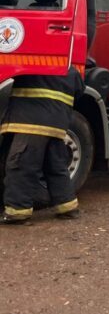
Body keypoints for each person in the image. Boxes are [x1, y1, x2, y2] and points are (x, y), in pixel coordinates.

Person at [1, 66, 84, 224]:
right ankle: (68, 208)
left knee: (20, 165)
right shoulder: (70, 67)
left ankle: (17, 213)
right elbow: (79, 90)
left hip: (30, 122)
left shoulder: (32, 62)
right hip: (57, 125)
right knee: (55, 167)